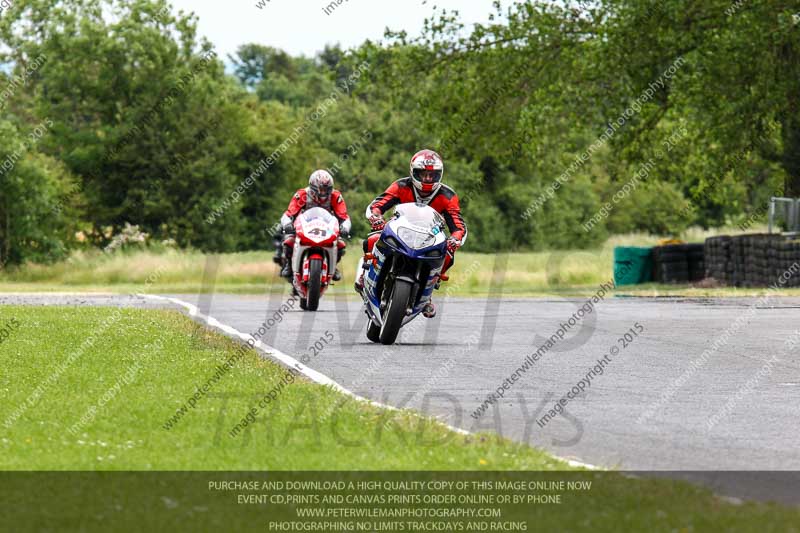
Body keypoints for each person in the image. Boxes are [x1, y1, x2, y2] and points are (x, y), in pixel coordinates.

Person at [357, 149, 467, 318]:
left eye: (432, 175)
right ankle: (365, 275)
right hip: (400, 231)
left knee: (448, 255)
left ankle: (428, 292)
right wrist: (376, 217)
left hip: (429, 238)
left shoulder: (448, 195)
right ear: (413, 172)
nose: (427, 179)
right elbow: (378, 204)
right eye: (423, 174)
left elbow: (458, 224)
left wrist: (455, 238)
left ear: (440, 175)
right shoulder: (401, 186)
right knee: (373, 239)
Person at [278, 170, 351, 281]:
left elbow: (344, 217)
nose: (323, 193)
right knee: (289, 241)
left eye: (327, 189)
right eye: (321, 189)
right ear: (313, 187)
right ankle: (289, 264)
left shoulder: (336, 196)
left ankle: (333, 265)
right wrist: (287, 224)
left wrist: (345, 227)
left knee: (340, 244)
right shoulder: (302, 194)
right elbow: (288, 214)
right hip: (304, 226)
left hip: (327, 228)